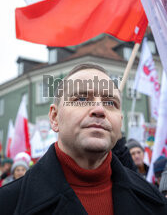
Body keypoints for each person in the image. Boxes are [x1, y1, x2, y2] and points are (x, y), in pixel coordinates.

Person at [0, 64, 167, 215]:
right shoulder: (8, 204)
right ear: (54, 117)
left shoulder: (153, 200)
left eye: (110, 102)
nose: (100, 109)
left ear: (120, 122)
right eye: (81, 99)